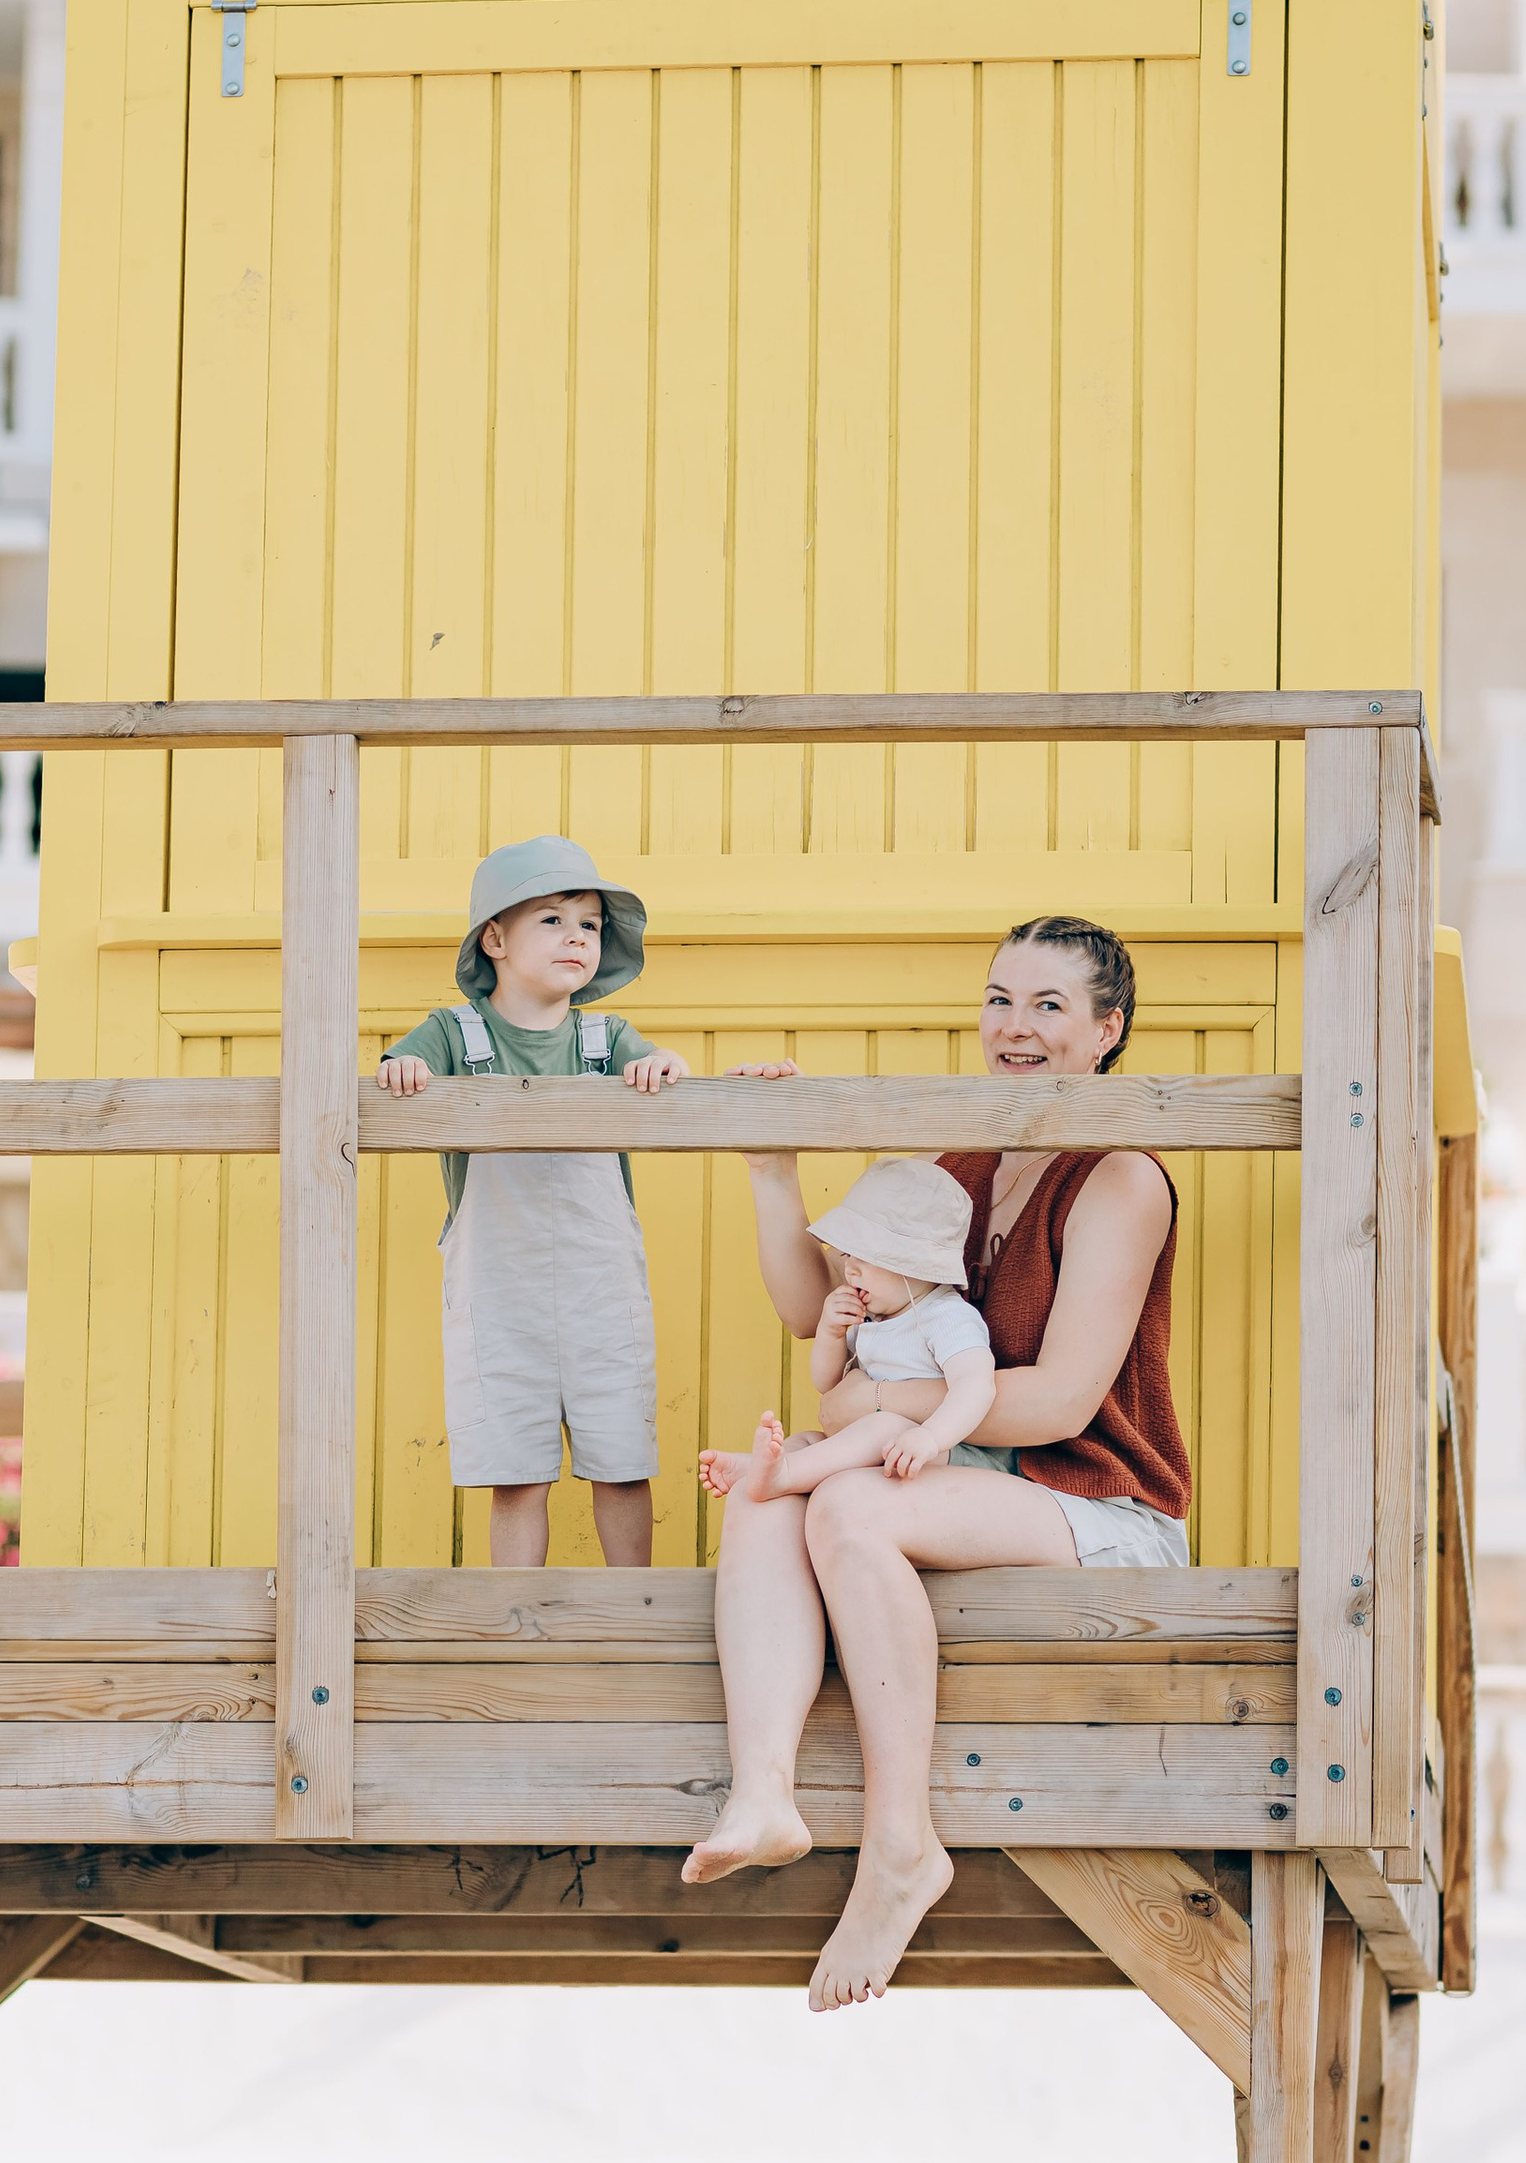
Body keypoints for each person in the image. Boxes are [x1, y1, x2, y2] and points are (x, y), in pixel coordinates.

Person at [685, 916, 1190, 2011]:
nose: (1015, 1027)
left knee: (850, 1500)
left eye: (1050, 1007)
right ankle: (762, 1789)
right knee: (777, 1489)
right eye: (1001, 999)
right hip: (957, 1476)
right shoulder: (952, 1162)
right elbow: (813, 1308)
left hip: (1094, 1500)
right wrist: (774, 1168)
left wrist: (869, 1403)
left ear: (1106, 1033)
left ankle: (900, 1846)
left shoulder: (1119, 1177)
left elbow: (1058, 1398)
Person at [377, 836, 689, 1568]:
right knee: (514, 1472)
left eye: (589, 923)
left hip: (600, 1294)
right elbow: (397, 1067)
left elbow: (658, 1068)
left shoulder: (606, 1038)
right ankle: (514, 1614)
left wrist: (662, 1064)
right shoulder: (454, 1034)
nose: (577, 935)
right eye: (551, 919)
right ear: (495, 939)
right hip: (499, 1297)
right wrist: (407, 1070)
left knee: (620, 1461)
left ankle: (630, 1611)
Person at [699, 1157, 995, 1503]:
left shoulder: (945, 1316)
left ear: (915, 1262)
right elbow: (827, 1385)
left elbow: (977, 1386)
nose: (849, 1269)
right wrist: (831, 1333)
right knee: (809, 1441)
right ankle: (761, 1469)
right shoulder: (874, 1314)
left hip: (950, 1456)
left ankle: (785, 1474)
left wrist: (930, 1438)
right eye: (847, 1254)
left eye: (864, 1257)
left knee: (883, 1424)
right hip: (881, 1447)